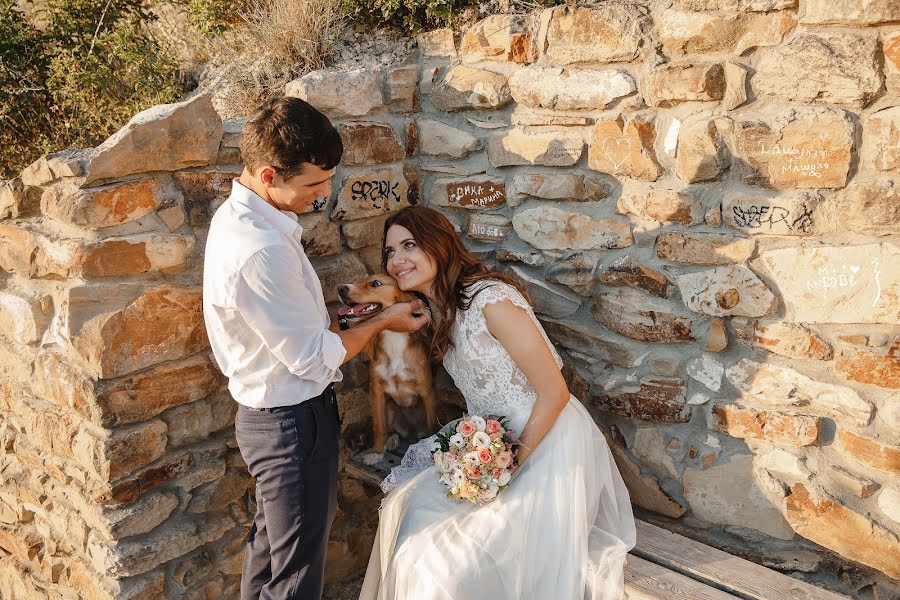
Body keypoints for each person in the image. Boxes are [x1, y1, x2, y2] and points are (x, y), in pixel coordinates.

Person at [202, 97, 429, 600]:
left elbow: (289, 324)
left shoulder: (244, 218)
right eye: (311, 183)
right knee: (296, 576)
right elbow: (314, 355)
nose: (324, 193)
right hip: (290, 424)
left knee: (271, 553)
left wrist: (347, 317)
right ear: (268, 174)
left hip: (274, 418)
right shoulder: (260, 249)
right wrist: (387, 319)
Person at [360, 206, 636, 599]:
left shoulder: (491, 300)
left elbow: (554, 393)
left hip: (548, 442)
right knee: (409, 513)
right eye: (389, 252)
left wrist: (506, 466)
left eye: (409, 245)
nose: (397, 259)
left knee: (452, 567)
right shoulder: (442, 312)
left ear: (439, 245)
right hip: (489, 443)